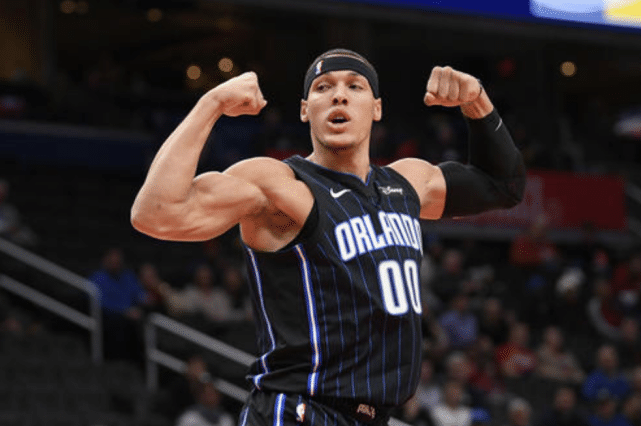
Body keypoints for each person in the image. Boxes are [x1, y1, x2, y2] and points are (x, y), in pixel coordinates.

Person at [131, 48, 525, 425]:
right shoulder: (280, 185)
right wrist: (211, 104)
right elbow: (156, 213)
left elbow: (504, 186)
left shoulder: (409, 183)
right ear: (306, 110)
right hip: (299, 410)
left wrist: (476, 101)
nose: (339, 95)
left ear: (376, 108)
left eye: (355, 86)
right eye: (323, 87)